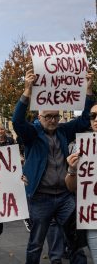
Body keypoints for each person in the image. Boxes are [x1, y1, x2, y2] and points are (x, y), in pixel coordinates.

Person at [12, 69, 94, 264]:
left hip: (65, 196)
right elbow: (16, 122)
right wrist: (26, 92)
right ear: (39, 116)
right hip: (40, 198)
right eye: (48, 116)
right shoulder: (31, 134)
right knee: (36, 244)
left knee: (75, 241)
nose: (52, 120)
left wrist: (88, 90)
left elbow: (83, 121)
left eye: (56, 116)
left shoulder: (63, 131)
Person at [65, 103, 97, 264]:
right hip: (93, 220)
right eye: (92, 116)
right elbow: (71, 187)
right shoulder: (81, 147)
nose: (96, 119)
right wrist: (71, 169)